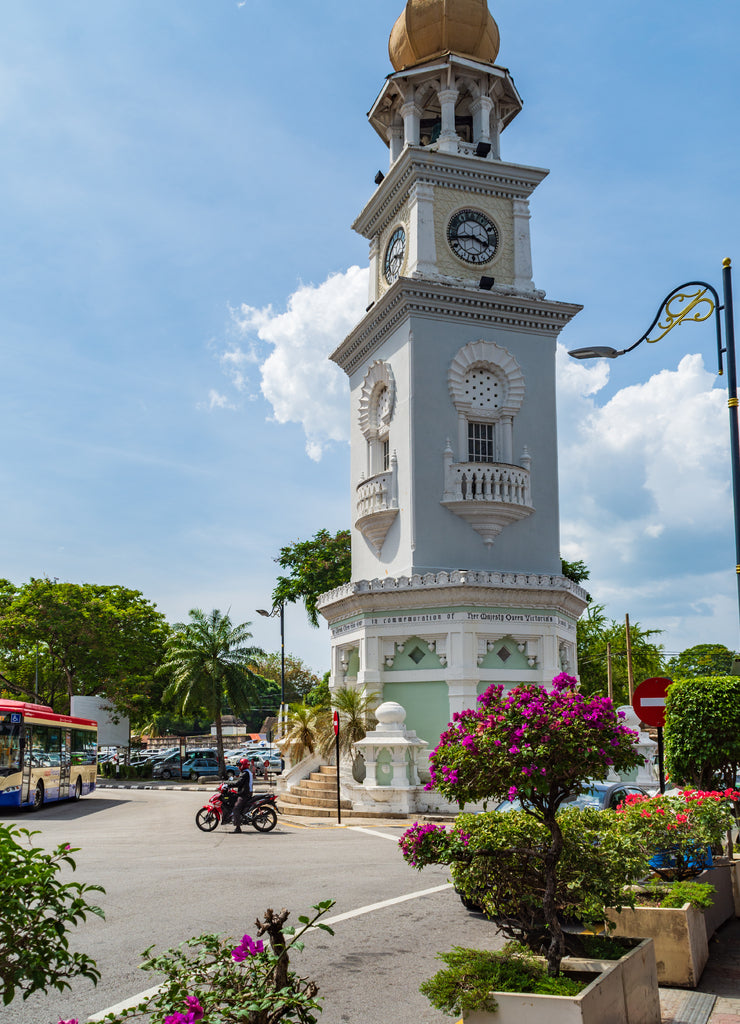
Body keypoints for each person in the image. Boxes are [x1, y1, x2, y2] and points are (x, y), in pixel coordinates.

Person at [231, 757, 254, 833]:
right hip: (246, 793)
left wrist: (228, 785)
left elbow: (239, 783)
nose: (238, 767)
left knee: (236, 808)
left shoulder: (245, 773)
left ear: (243, 765)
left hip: (245, 794)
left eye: (239, 765)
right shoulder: (247, 772)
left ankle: (238, 827)